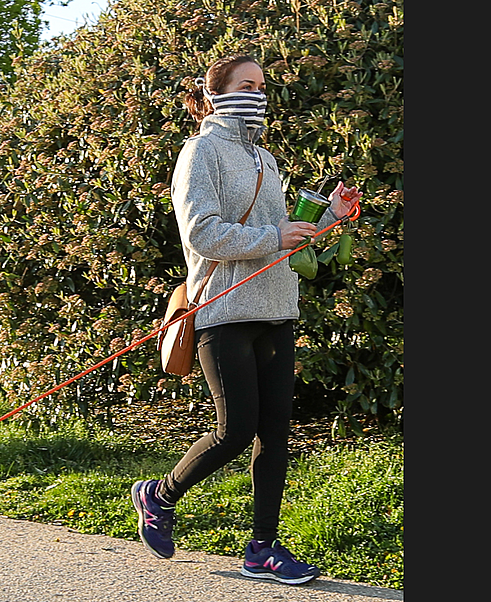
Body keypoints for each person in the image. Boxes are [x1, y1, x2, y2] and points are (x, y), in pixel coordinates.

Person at [130, 55, 361, 586]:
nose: (258, 94)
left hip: (277, 308)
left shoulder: (266, 159)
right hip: (225, 310)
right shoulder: (200, 151)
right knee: (235, 431)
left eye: (262, 86)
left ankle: (263, 548)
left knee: (275, 434)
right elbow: (201, 234)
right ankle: (158, 494)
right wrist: (269, 238)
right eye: (247, 85)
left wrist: (331, 216)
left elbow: (284, 234)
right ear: (216, 93)